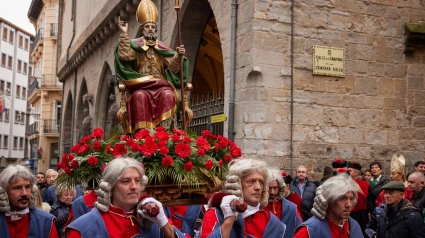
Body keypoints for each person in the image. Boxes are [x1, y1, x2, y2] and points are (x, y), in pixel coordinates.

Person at [115, 0, 189, 132]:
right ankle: (143, 134)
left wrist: (179, 55)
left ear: (155, 29)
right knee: (139, 96)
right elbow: (125, 55)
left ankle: (165, 133)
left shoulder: (161, 47)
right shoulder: (136, 45)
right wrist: (124, 34)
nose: (150, 29)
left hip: (160, 84)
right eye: (147, 26)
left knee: (168, 95)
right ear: (142, 29)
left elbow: (174, 66)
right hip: (141, 84)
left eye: (153, 27)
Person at [65, 157, 185, 237]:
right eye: (126, 181)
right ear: (110, 186)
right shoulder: (83, 228)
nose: (134, 186)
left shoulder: (153, 219)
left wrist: (163, 223)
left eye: (137, 181)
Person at [200, 159, 286, 238]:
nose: (258, 187)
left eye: (261, 182)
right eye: (251, 181)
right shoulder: (215, 215)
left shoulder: (272, 222)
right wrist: (228, 221)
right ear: (237, 183)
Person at [293, 174, 363, 238]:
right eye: (342, 198)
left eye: (351, 199)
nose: (349, 205)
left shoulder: (353, 226)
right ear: (329, 200)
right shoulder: (309, 231)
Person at [0, 165, 58, 237]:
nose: (24, 193)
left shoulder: (46, 221)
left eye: (27, 187)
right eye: (17, 188)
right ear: (4, 191)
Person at [264, 169, 302, 238]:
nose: (272, 192)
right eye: (269, 188)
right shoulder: (258, 207)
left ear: (279, 188)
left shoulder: (291, 208)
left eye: (275, 188)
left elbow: (300, 231)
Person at [347, 161, 371, 237]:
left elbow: (370, 200)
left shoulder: (364, 184)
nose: (347, 173)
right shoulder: (344, 183)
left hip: (361, 215)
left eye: (349, 171)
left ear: (356, 173)